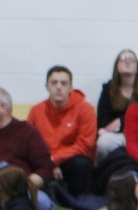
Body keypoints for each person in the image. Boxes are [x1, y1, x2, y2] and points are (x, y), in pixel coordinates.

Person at [29, 66, 96, 199]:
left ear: (71, 87)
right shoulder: (36, 111)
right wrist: (50, 163)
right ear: (47, 86)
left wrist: (55, 160)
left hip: (71, 161)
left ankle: (80, 205)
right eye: (54, 83)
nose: (58, 87)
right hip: (45, 161)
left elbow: (85, 145)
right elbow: (30, 144)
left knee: (80, 164)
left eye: (64, 83)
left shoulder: (85, 109)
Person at [0, 89, 56, 198]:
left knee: (42, 202)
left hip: (22, 190)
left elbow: (45, 168)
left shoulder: (27, 132)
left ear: (2, 106)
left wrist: (24, 187)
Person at [95, 48, 138, 133]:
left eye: (131, 60)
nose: (127, 62)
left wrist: (121, 121)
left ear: (137, 68)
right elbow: (102, 120)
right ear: (117, 66)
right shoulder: (108, 89)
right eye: (123, 59)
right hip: (115, 134)